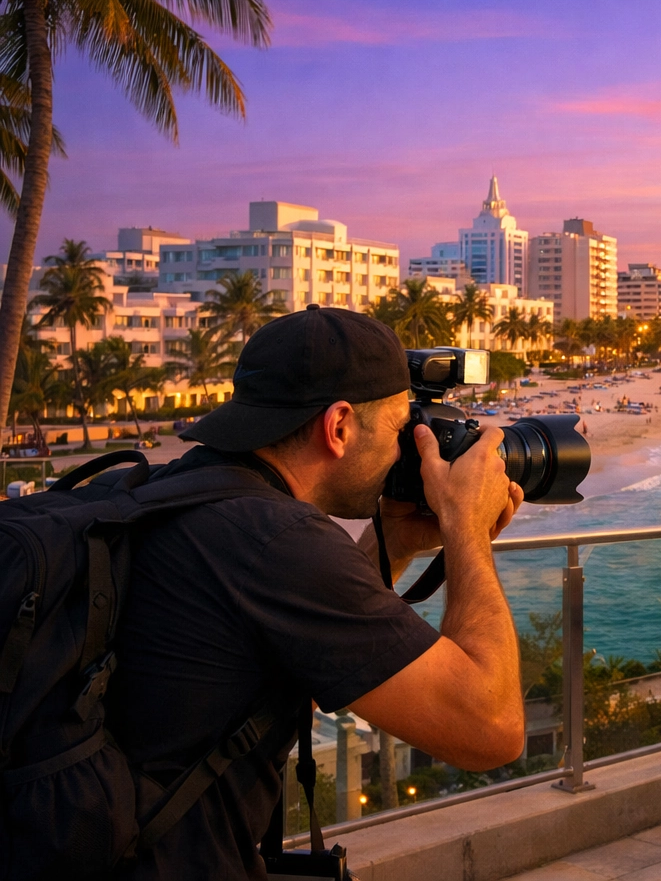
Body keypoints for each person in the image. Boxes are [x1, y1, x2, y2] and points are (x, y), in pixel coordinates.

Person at [109, 307, 525, 879]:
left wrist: (394, 541)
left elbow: (290, 671)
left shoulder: (171, 491)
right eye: (403, 430)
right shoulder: (280, 543)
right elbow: (492, 729)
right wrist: (467, 529)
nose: (407, 452)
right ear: (339, 426)